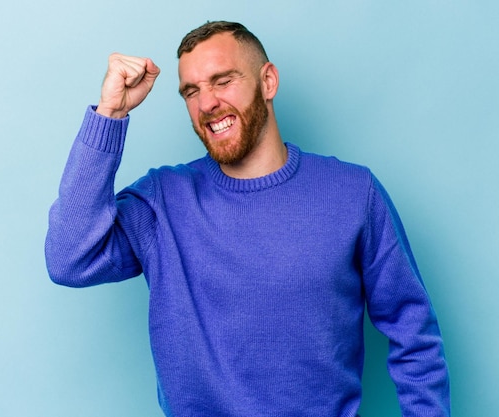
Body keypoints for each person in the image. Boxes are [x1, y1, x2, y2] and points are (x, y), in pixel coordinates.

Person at [45, 21, 451, 417]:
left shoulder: (352, 192)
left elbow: (413, 332)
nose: (207, 104)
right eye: (191, 91)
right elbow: (69, 259)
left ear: (268, 82)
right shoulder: (162, 201)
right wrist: (110, 114)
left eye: (223, 81)